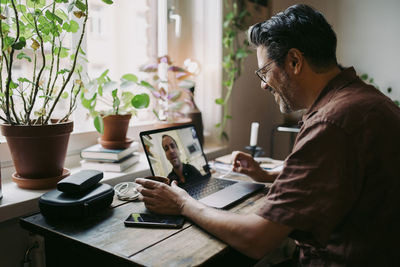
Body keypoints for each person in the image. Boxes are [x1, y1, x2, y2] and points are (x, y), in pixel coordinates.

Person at [136, 4, 400, 266]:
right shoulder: (367, 101)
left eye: (264, 71)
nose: (263, 84)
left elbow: (256, 238)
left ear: (294, 61)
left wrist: (183, 203)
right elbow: (341, 176)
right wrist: (268, 176)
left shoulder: (330, 123)